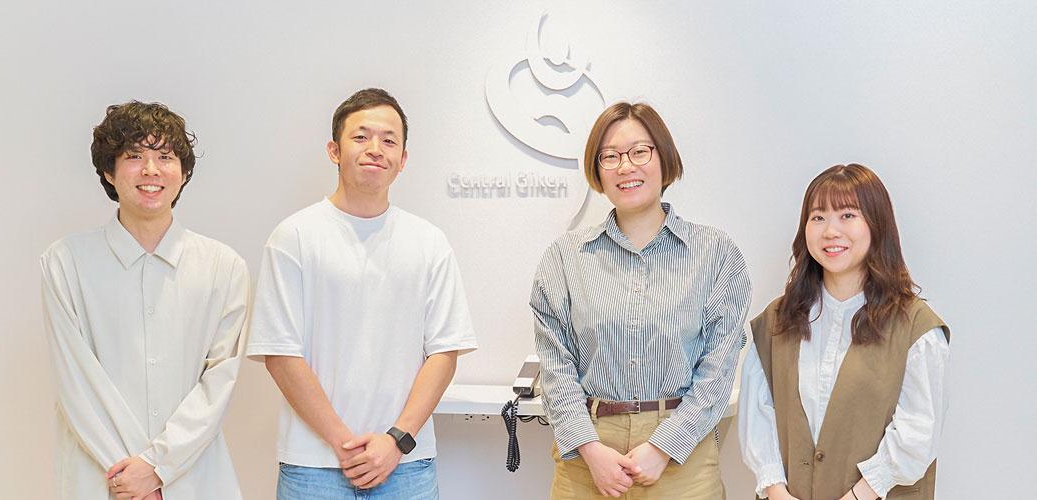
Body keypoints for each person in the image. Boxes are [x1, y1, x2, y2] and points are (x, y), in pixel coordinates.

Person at [246, 88, 478, 500]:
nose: (375, 149)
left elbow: (444, 352)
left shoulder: (428, 242)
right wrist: (344, 444)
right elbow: (280, 354)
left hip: (407, 464)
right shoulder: (293, 237)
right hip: (313, 466)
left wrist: (396, 440)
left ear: (402, 159)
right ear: (334, 150)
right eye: (360, 137)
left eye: (389, 140)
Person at [531, 101, 752, 499]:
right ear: (597, 170)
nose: (625, 167)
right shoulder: (564, 257)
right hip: (587, 453)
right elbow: (555, 366)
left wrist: (664, 447)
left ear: (664, 159)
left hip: (683, 453)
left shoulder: (715, 253)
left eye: (639, 152)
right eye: (610, 156)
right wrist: (590, 449)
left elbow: (718, 368)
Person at [40, 101, 249, 499]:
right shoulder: (65, 262)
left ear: (183, 173)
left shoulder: (224, 267)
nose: (151, 170)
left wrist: (158, 467)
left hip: (194, 479)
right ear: (109, 171)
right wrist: (131, 476)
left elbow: (218, 383)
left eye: (165, 157)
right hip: (101, 476)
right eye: (134, 156)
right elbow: (76, 382)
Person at [739, 164, 950, 500]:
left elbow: (917, 435)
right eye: (818, 217)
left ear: (877, 224)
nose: (830, 231)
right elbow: (759, 422)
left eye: (847, 215)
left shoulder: (916, 327)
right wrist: (777, 492)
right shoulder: (776, 321)